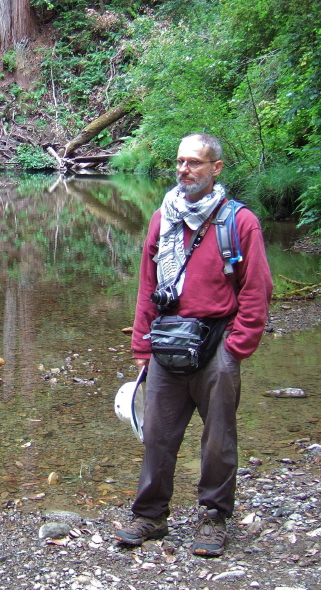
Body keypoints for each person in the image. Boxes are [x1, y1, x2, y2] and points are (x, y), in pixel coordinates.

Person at [114, 133, 273, 557]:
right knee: (157, 435)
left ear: (216, 168)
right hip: (166, 340)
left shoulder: (240, 222)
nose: (185, 170)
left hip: (218, 342)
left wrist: (237, 347)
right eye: (181, 161)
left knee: (219, 438)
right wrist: (142, 345)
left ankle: (214, 518)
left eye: (195, 163)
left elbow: (257, 290)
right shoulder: (162, 218)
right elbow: (148, 285)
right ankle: (150, 516)